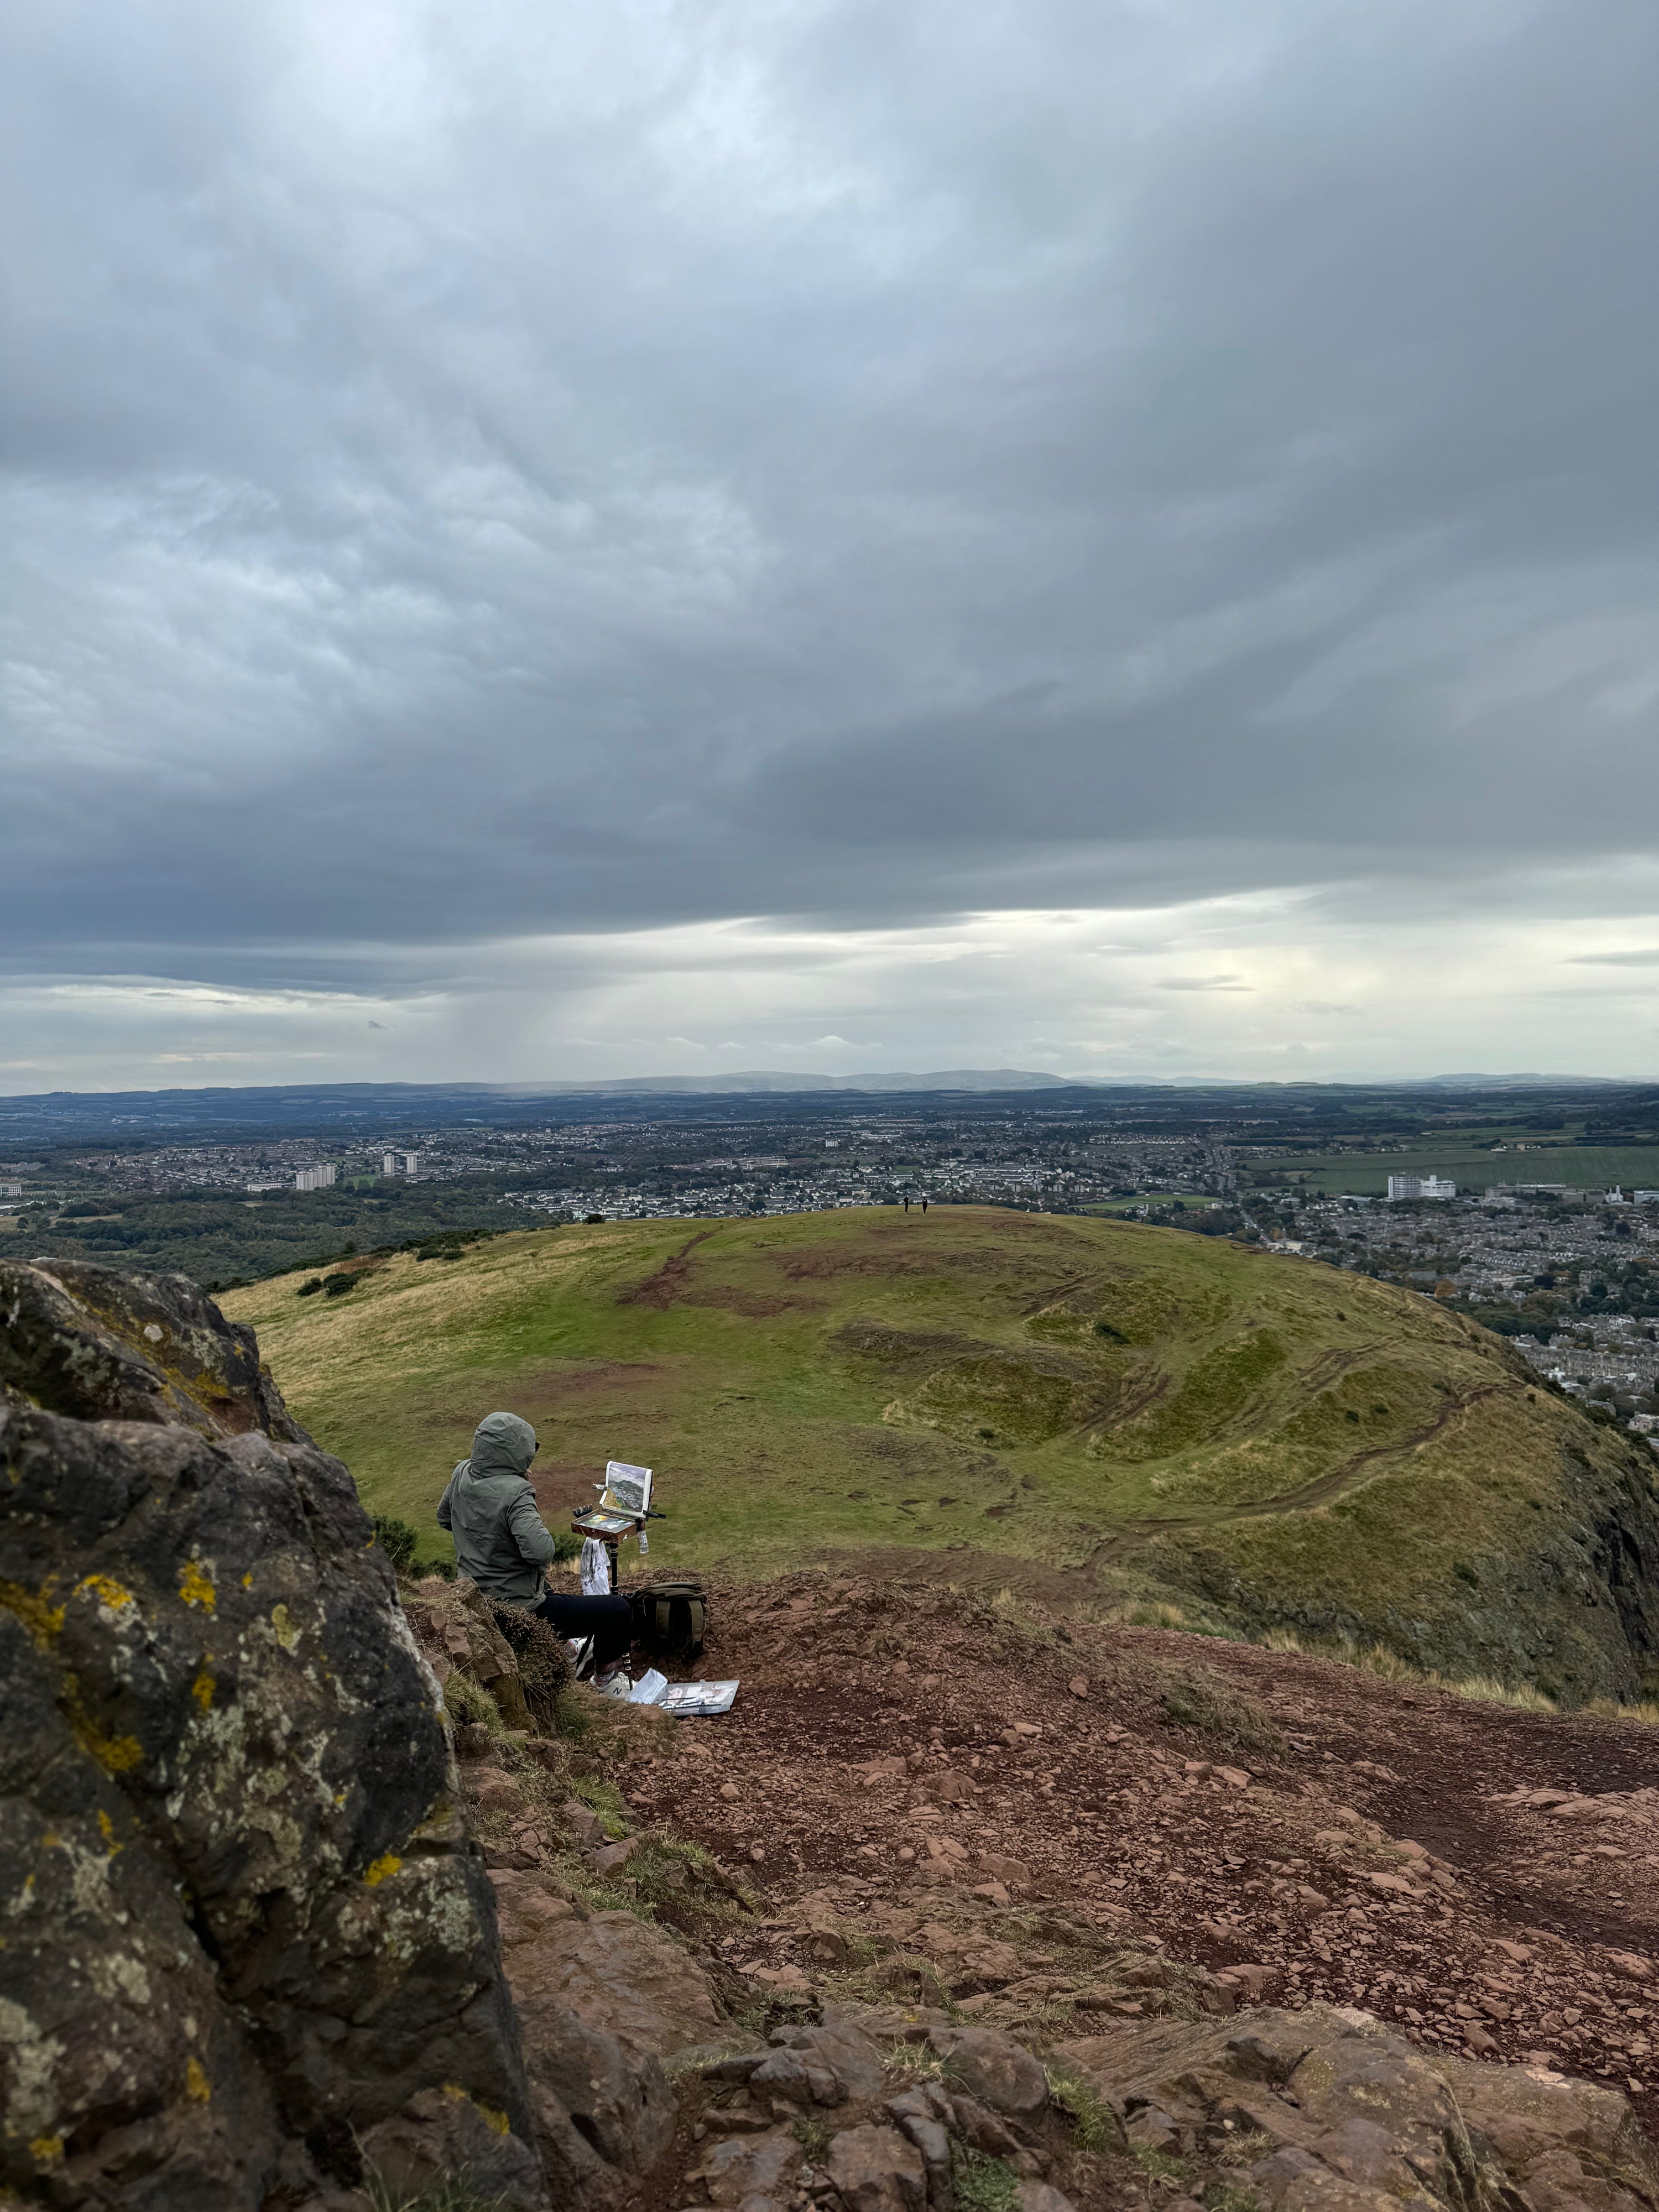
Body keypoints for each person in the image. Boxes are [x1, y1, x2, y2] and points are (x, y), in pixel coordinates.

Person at [437, 1411, 634, 1693]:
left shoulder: (462, 1472)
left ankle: (566, 1650)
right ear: (514, 1454)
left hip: (475, 1596)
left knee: (545, 1585)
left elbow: (444, 1518)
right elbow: (541, 1552)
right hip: (519, 1609)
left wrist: (488, 1545)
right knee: (618, 1610)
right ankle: (605, 1681)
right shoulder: (517, 1491)